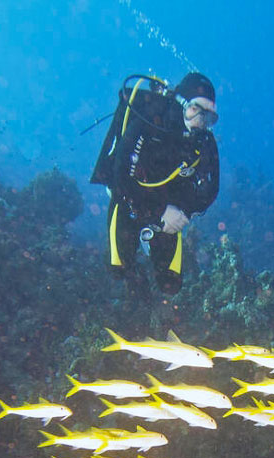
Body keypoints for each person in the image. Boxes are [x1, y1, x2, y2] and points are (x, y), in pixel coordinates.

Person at [90, 72, 220, 295]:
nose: (201, 122)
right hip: (129, 201)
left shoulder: (204, 143)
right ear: (181, 103)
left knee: (171, 284)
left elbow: (210, 190)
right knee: (118, 272)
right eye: (195, 110)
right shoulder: (148, 122)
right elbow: (120, 179)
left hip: (170, 213)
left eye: (209, 117)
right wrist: (158, 212)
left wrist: (183, 214)